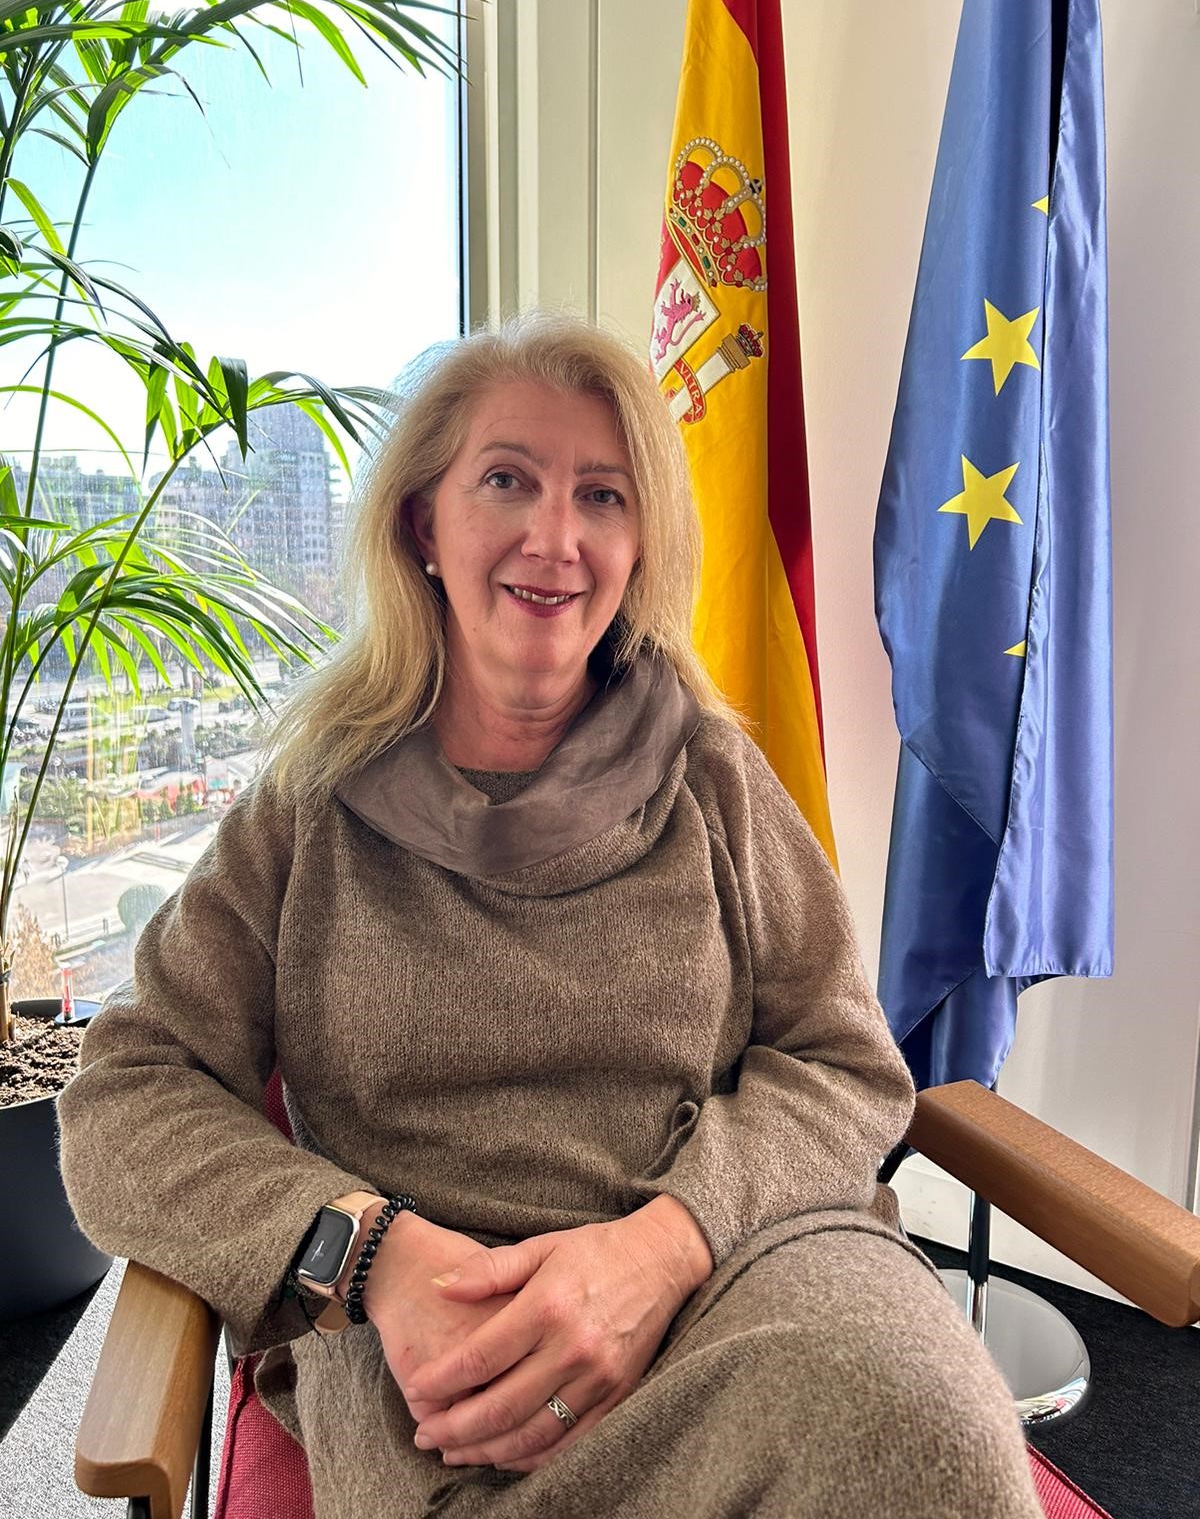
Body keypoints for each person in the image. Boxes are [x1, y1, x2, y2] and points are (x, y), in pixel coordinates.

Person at [59, 315, 1042, 1519]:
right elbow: (127, 1090)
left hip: (738, 1274)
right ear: (423, 524)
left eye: (603, 496)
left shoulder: (712, 773)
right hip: (447, 1348)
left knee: (924, 1439)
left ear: (639, 545)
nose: (556, 539)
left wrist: (665, 1243)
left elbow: (844, 1062)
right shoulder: (307, 806)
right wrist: (363, 1253)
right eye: (508, 480)